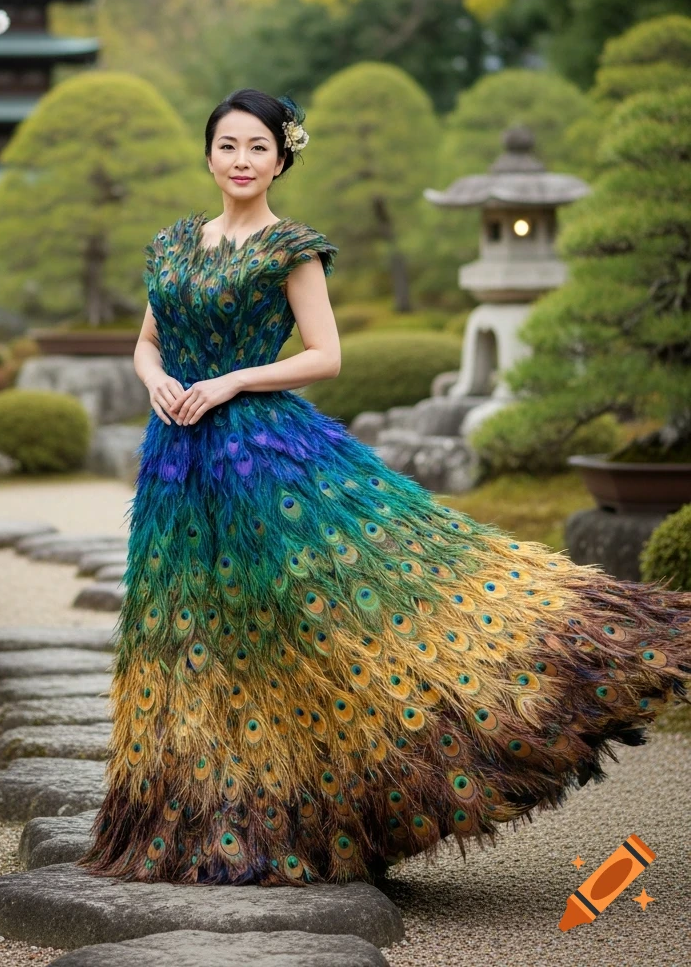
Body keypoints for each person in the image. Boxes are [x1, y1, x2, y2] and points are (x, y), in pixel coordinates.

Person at [76, 88, 691, 886]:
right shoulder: (171, 245)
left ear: (281, 158)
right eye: (227, 145)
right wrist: (155, 378)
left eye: (257, 148)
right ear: (208, 153)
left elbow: (324, 355)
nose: (240, 161)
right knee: (189, 632)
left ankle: (319, 816)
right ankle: (201, 824)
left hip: (260, 452)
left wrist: (229, 383)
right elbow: (147, 340)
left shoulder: (291, 247)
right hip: (174, 459)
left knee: (309, 623)